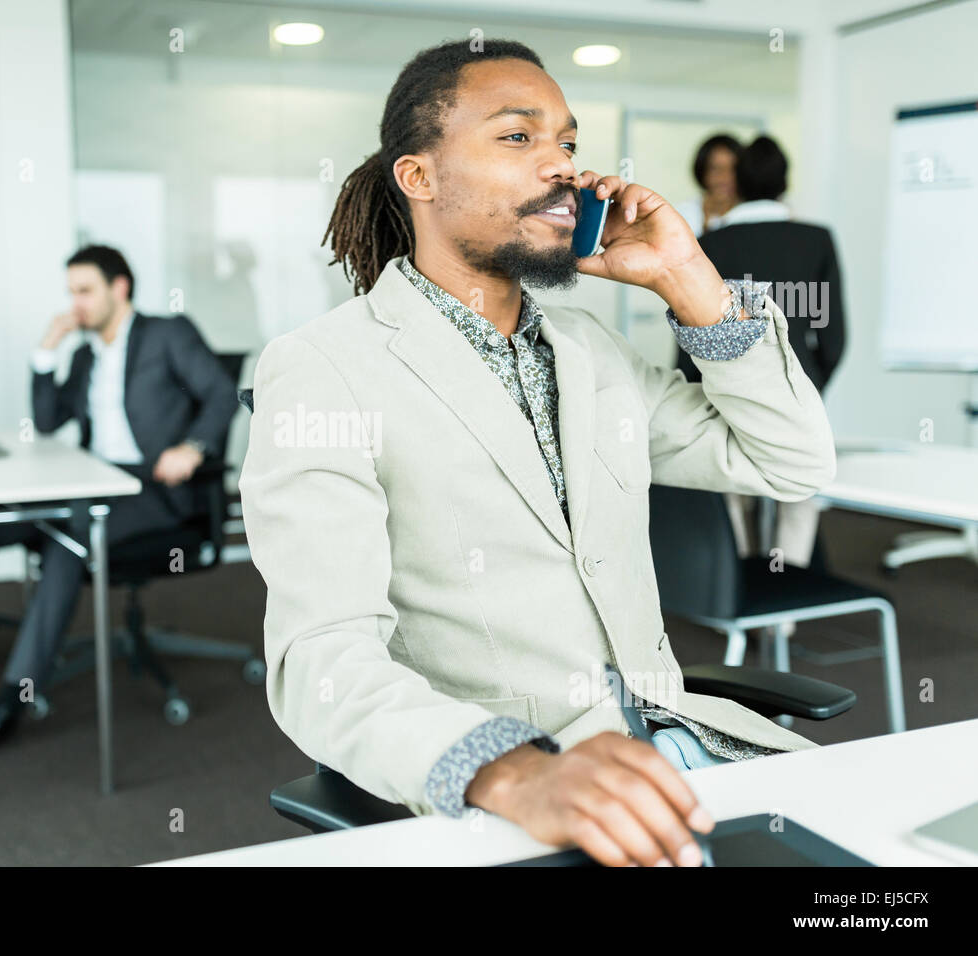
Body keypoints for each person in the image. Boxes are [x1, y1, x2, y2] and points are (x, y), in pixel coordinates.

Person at [239, 40, 835, 867]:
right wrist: (514, 776)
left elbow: (790, 464)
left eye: (568, 143)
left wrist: (689, 279)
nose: (561, 167)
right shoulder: (325, 369)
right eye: (518, 138)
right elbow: (321, 660)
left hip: (696, 756)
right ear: (420, 178)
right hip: (529, 798)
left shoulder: (591, 350)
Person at [0, 245, 238, 755]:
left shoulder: (167, 334)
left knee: (67, 539)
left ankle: (12, 700)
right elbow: (45, 420)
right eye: (70, 293)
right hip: (94, 486)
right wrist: (45, 353)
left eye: (85, 291)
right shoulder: (84, 354)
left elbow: (220, 392)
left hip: (158, 492)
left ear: (119, 288)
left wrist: (193, 447)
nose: (75, 303)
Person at [676, 135, 847, 596]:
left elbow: (692, 327)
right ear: (783, 182)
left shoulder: (710, 242)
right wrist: (812, 382)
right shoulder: (816, 239)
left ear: (739, 183)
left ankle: (740, 588)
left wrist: (697, 387)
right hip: (799, 384)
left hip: (729, 387)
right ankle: (783, 606)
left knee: (735, 486)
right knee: (800, 491)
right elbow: (832, 334)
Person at [673, 133, 742, 236]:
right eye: (716, 169)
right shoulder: (681, 214)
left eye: (733, 169)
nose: (725, 177)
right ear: (702, 171)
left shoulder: (750, 214)